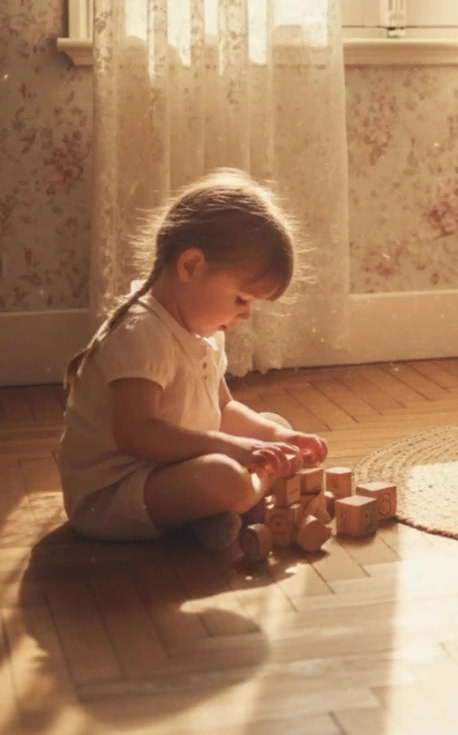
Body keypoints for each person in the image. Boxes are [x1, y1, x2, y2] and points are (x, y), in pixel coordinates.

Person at [58, 169, 329, 550]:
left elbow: (224, 409)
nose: (246, 315)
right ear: (190, 267)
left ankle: (214, 514)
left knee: (272, 423)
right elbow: (136, 434)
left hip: (168, 472)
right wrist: (235, 451)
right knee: (224, 476)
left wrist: (280, 439)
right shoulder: (142, 333)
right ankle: (248, 494)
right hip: (114, 495)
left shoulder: (205, 331)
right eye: (242, 299)